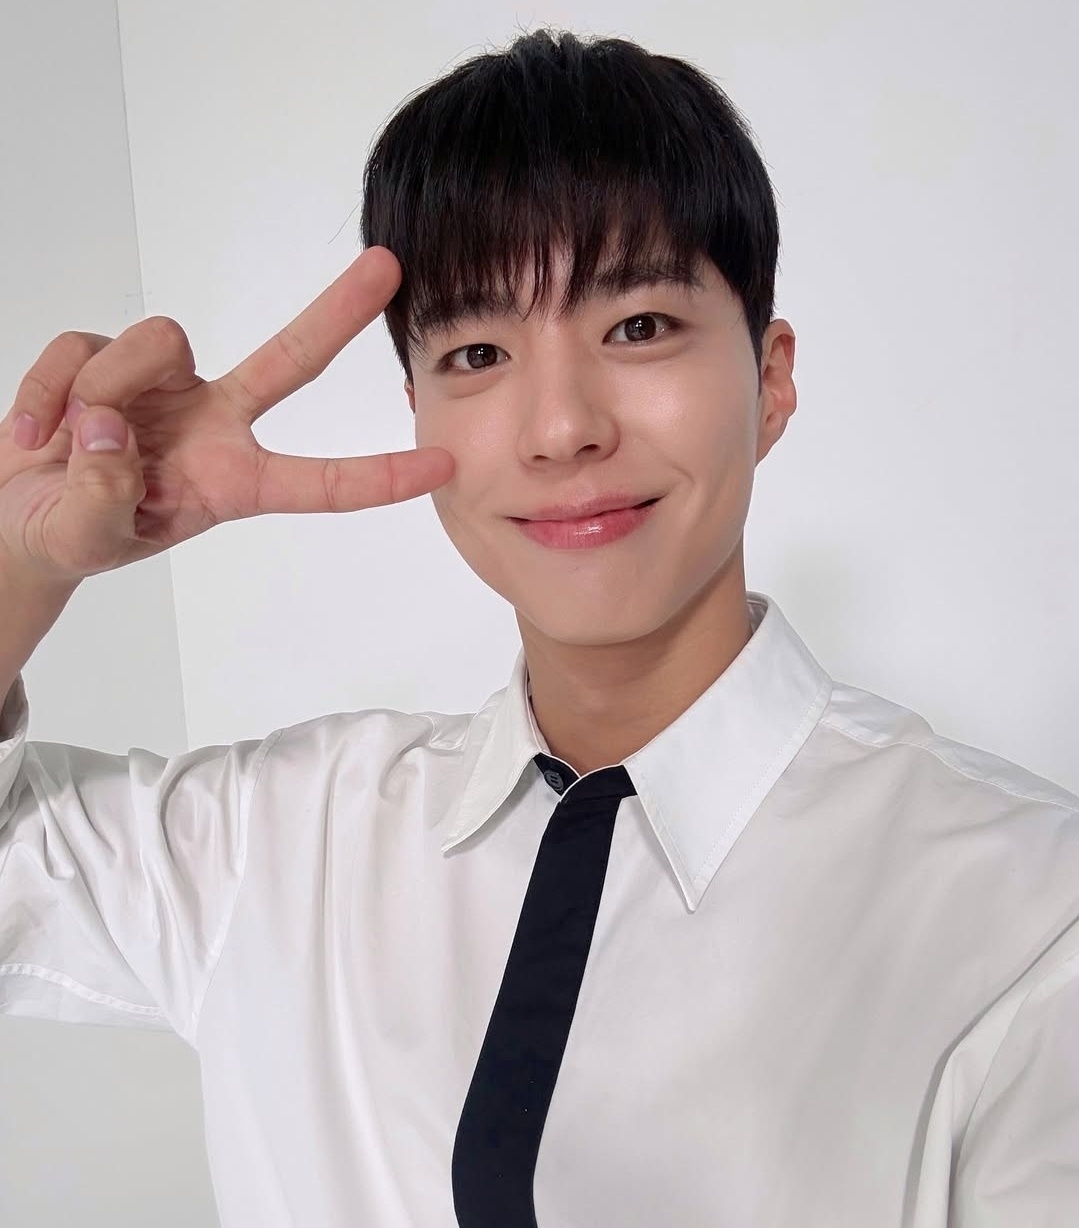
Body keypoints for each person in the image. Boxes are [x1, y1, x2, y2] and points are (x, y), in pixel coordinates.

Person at [1, 26, 1077, 1228]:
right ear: (414, 407)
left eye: (638, 326)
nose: (560, 427)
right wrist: (17, 563)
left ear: (769, 379)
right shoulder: (280, 844)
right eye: (477, 351)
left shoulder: (1027, 917)